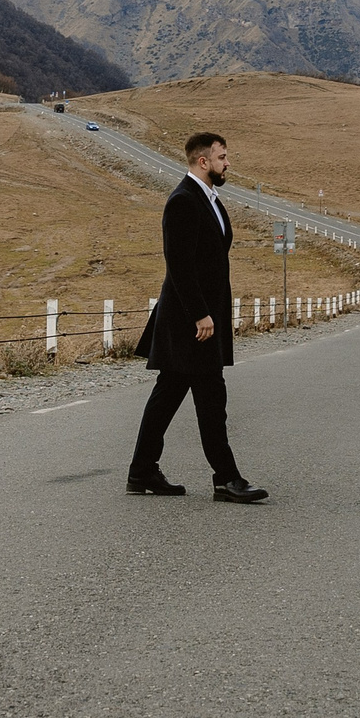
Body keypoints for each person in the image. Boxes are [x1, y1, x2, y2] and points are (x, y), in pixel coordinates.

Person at [128, 130, 269, 504]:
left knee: (168, 397)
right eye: (223, 157)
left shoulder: (209, 199)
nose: (228, 163)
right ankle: (226, 478)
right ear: (203, 161)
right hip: (191, 323)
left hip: (197, 321)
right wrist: (201, 315)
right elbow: (179, 266)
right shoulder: (183, 201)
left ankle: (142, 471)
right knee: (211, 397)